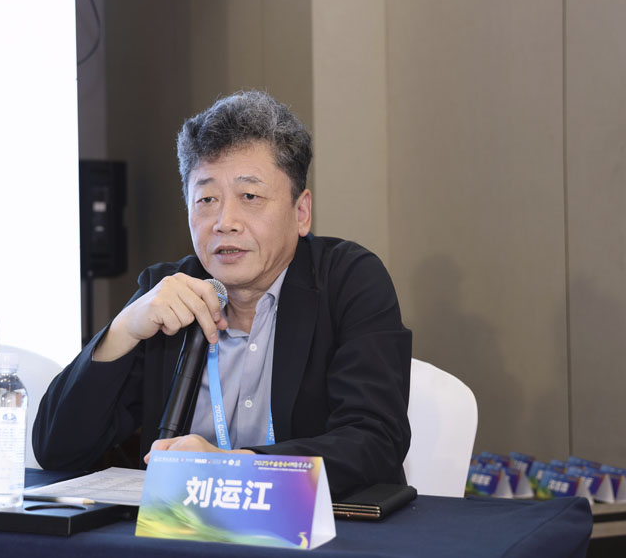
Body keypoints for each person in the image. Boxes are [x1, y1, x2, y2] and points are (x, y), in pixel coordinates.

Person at [34, 91, 412, 498]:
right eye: (207, 200)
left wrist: (234, 468)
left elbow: (374, 442)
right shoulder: (168, 292)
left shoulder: (348, 281)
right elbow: (58, 450)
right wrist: (123, 329)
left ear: (301, 212)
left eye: (250, 197)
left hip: (318, 528)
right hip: (182, 528)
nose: (225, 222)